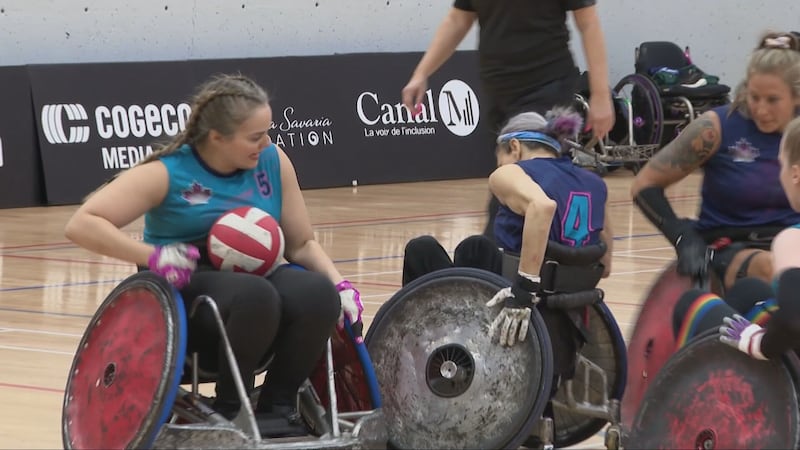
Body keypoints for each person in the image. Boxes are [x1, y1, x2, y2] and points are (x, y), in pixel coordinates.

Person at [64, 74, 364, 437]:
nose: (266, 143)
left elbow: (300, 244)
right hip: (190, 286)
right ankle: (230, 406)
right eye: (255, 137)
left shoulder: (272, 160)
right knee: (257, 297)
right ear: (217, 138)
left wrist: (340, 284)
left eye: (267, 133)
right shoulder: (168, 172)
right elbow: (82, 223)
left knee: (318, 294)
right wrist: (153, 255)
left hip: (258, 275)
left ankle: (278, 405)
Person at [402, 108, 613, 391]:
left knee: (423, 250)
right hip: (566, 331)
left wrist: (524, 291)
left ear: (514, 147)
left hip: (505, 325)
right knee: (475, 247)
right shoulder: (595, 184)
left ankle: (414, 366)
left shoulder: (512, 173)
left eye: (499, 158)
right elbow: (605, 262)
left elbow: (543, 206)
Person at [401, 0, 615, 242]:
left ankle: (507, 259)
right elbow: (458, 20)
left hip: (547, 86)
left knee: (527, 180)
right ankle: (525, 261)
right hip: (498, 92)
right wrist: (421, 73)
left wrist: (600, 95)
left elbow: (588, 23)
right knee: (509, 187)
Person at [631, 31, 800, 292]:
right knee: (774, 268)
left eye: (773, 100)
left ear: (796, 97)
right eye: (754, 97)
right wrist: (682, 237)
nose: (761, 109)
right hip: (729, 248)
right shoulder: (715, 128)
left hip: (791, 243)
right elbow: (644, 185)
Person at [716, 115, 800, 360]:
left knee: (692, 305)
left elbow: (794, 319)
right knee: (750, 290)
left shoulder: (792, 239)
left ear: (796, 173)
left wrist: (758, 344)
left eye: (781, 164)